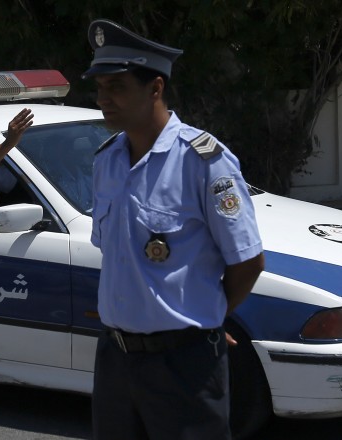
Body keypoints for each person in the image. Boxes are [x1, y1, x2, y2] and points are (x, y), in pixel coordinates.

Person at [82, 19, 265, 440]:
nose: (103, 99)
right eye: (100, 88)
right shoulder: (106, 159)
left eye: (117, 87)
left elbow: (248, 261)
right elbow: (118, 259)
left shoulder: (203, 161)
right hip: (115, 359)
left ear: (155, 88)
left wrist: (211, 316)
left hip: (183, 364)